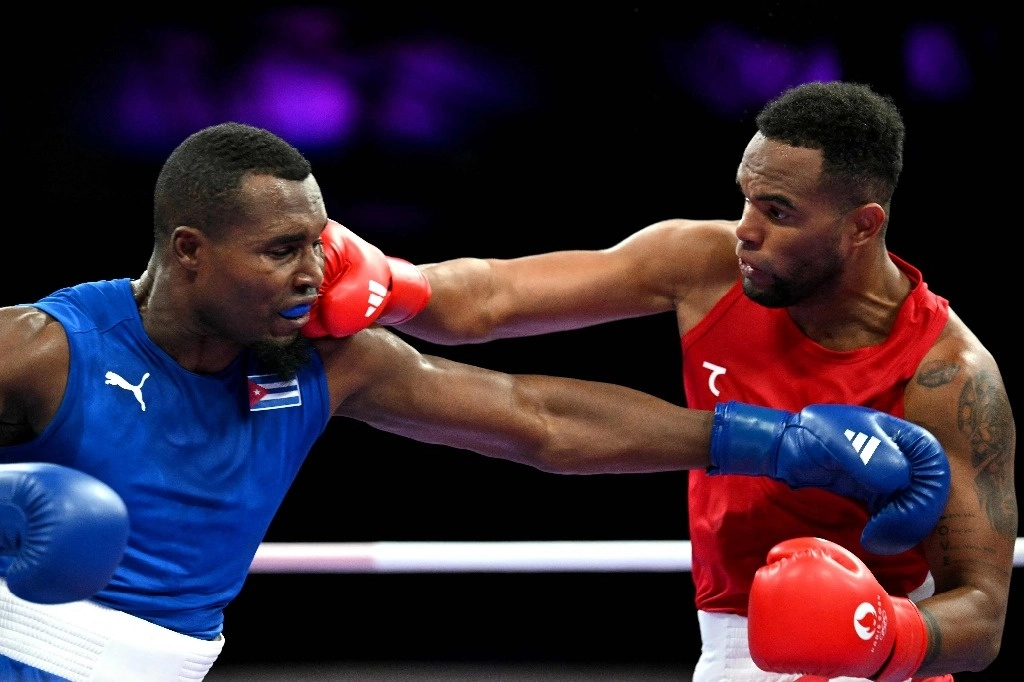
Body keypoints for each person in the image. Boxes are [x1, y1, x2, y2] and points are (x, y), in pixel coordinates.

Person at [0, 121, 949, 681]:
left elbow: (538, 421)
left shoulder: (335, 359)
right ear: (190, 250)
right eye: (281, 251)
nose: (315, 273)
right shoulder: (47, 349)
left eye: (321, 246)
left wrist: (772, 442)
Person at [388, 81, 1018, 681]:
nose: (746, 228)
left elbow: (983, 615)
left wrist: (881, 633)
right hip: (730, 648)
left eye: (778, 212)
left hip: (880, 649)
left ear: (862, 226)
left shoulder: (950, 376)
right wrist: (386, 284)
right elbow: (491, 298)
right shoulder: (702, 264)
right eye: (746, 197)